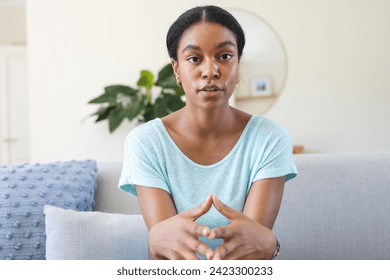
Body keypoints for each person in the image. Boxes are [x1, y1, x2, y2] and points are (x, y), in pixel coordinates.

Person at [119, 5, 297, 260]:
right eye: (194, 59)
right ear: (177, 70)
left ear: (238, 66)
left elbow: (249, 248)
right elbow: (169, 249)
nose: (211, 70)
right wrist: (159, 239)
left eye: (224, 56)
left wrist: (266, 241)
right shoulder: (146, 142)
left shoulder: (270, 139)